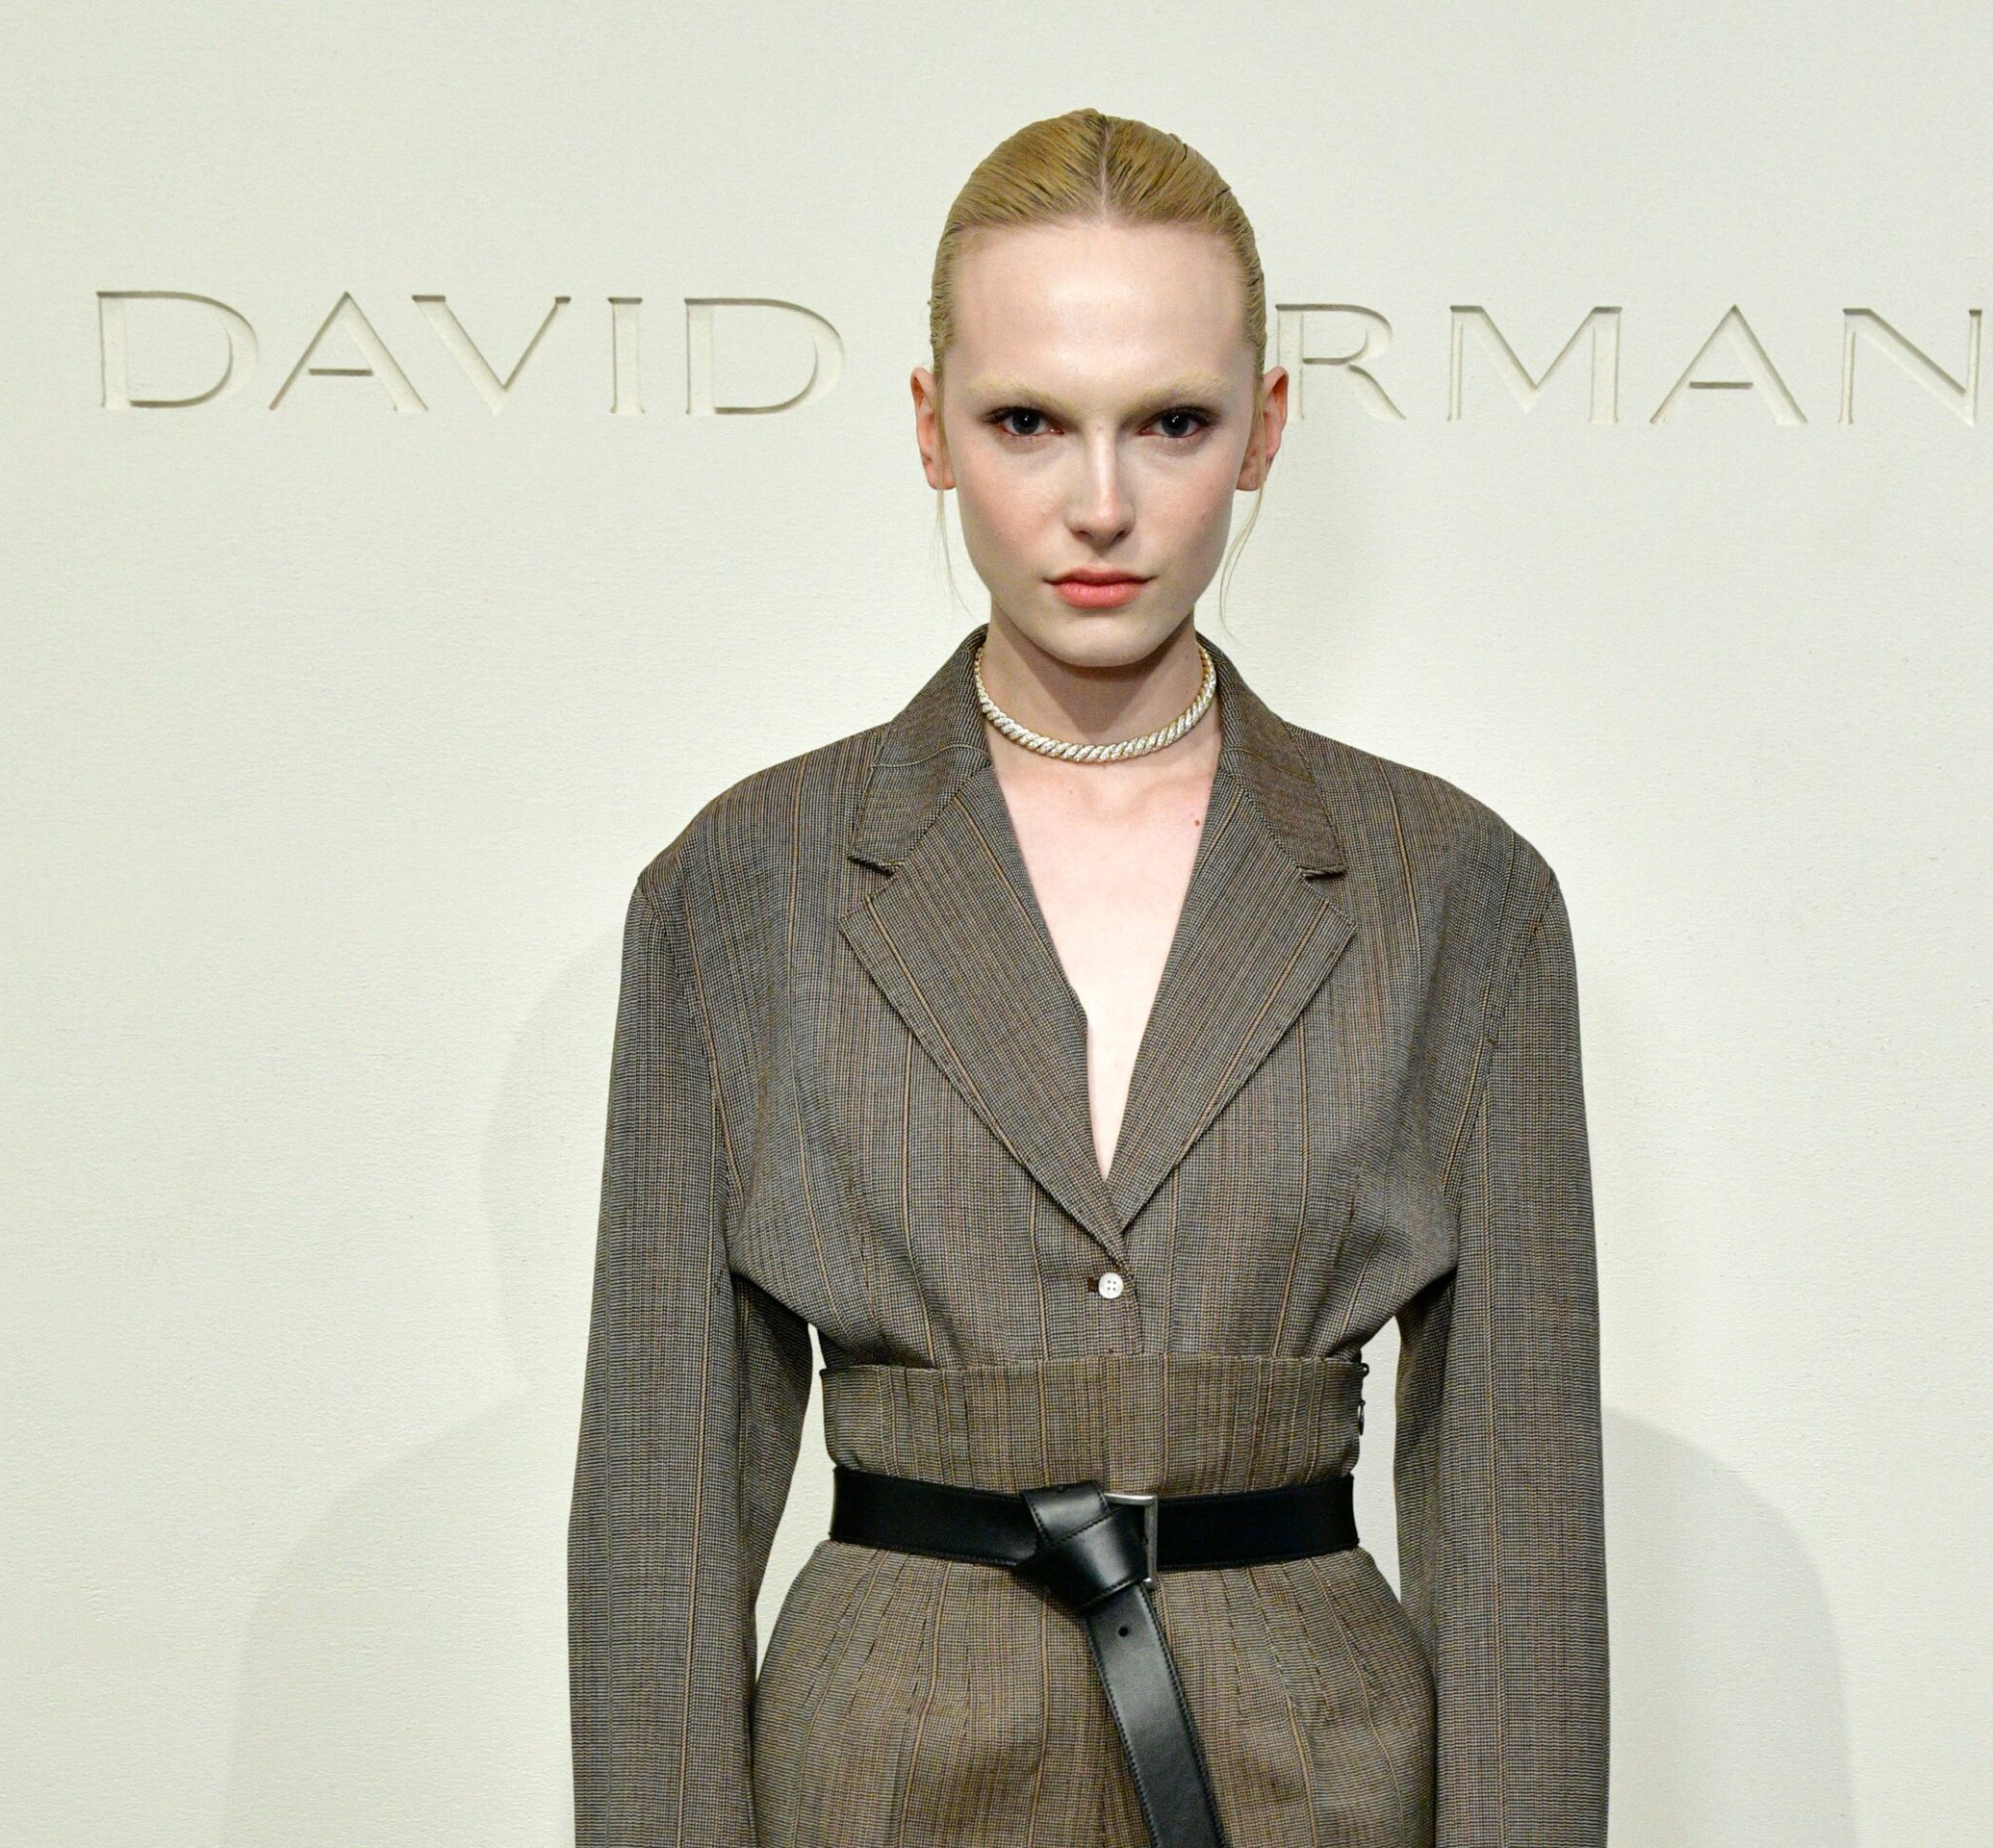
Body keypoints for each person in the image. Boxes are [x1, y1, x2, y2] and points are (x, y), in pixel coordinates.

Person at [567, 107, 1607, 1848]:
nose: (1102, 504)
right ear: (930, 427)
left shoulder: (1455, 896)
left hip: (1316, 1783)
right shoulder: (740, 892)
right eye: (1028, 422)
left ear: (1266, 426)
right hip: (885, 1783)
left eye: (1173, 422)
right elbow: (658, 1524)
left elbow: (1523, 1529)